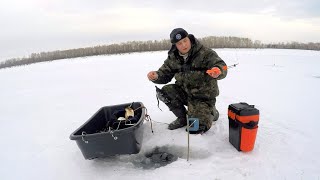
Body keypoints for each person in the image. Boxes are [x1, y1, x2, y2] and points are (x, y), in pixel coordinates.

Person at [147, 28, 227, 134]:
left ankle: (212, 112)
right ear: (175, 45)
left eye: (185, 41)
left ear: (189, 38)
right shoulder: (173, 58)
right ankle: (182, 118)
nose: (184, 45)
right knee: (165, 91)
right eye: (179, 43)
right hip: (185, 93)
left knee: (195, 128)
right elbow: (164, 74)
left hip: (203, 98)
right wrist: (156, 76)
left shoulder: (205, 53)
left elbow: (222, 65)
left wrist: (218, 71)